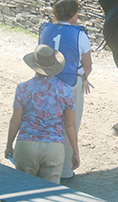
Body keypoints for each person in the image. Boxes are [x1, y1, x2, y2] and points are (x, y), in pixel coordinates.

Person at [5, 44, 80, 184]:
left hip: (26, 143)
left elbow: (15, 121)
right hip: (54, 146)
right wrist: (75, 152)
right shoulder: (66, 91)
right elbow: (70, 126)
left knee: (23, 188)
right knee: (49, 196)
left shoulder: (22, 88)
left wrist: (9, 145)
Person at [39, 0, 92, 180]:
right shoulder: (80, 34)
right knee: (70, 124)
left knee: (45, 122)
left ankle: (43, 163)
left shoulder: (45, 29)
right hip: (70, 82)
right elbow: (88, 65)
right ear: (73, 15)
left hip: (45, 81)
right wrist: (84, 78)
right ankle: (65, 169)